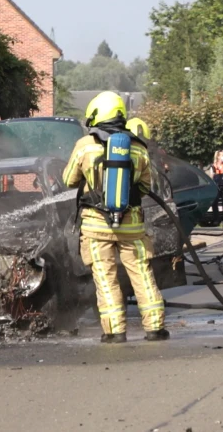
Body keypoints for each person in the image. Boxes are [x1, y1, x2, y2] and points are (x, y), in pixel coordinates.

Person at [62, 91, 169, 344]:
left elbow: (69, 180)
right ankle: (155, 328)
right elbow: (145, 187)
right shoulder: (138, 148)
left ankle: (114, 332)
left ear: (96, 114)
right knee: (142, 274)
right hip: (131, 224)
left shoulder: (85, 145)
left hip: (96, 225)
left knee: (105, 278)